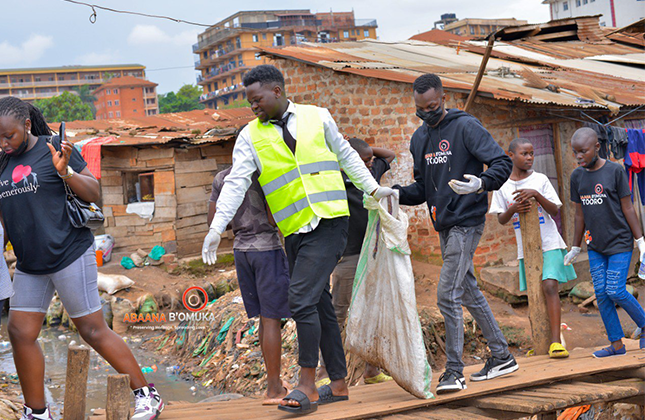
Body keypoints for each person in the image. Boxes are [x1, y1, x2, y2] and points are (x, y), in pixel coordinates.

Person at [202, 65, 395, 414]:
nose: (253, 107)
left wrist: (372, 188)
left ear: (277, 91)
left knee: (301, 298)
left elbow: (346, 154)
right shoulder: (250, 136)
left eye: (257, 99)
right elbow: (235, 183)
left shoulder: (317, 117)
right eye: (249, 101)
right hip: (294, 231)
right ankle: (338, 382)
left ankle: (307, 384)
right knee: (319, 301)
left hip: (330, 222)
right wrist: (216, 228)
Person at [0, 97, 163, 420]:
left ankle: (147, 395)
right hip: (30, 264)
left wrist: (66, 172)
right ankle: (37, 413)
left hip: (69, 253)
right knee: (19, 333)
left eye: (9, 136)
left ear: (27, 125)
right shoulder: (1, 162)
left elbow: (93, 192)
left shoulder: (55, 147)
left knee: (92, 329)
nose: (3, 143)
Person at [393, 73, 518, 395]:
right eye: (421, 109)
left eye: (432, 106)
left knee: (446, 294)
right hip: (444, 223)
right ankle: (502, 356)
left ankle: (454, 371)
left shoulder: (465, 127)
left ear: (443, 98)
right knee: (468, 291)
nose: (427, 113)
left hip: (467, 221)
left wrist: (481, 183)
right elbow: (422, 188)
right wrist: (394, 193)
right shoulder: (419, 139)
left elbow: (502, 163)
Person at [208, 164, 292, 405]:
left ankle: (274, 383)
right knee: (272, 318)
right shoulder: (266, 172)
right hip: (266, 250)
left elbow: (214, 221)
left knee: (264, 318)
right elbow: (273, 219)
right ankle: (274, 389)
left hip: (241, 251)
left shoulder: (222, 177)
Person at [316, 137, 395, 386]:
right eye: (364, 161)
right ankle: (323, 372)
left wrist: (365, 151)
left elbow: (389, 154)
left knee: (372, 311)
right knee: (338, 314)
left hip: (372, 253)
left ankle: (371, 370)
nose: (369, 165)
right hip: (347, 256)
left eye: (370, 161)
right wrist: (345, 151)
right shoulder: (335, 178)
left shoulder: (371, 175)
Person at [489, 138, 576, 358]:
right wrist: (514, 208)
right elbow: (501, 219)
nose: (529, 158)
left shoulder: (540, 179)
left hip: (550, 242)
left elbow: (554, 210)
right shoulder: (502, 185)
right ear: (510, 156)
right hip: (526, 248)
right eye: (524, 154)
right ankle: (541, 342)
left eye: (532, 153)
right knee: (535, 293)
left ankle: (556, 343)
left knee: (549, 286)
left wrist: (536, 194)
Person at [565, 127, 645, 356]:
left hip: (619, 242)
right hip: (595, 246)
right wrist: (575, 246)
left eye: (583, 151)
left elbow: (628, 207)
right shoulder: (577, 177)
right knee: (601, 293)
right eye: (575, 152)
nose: (579, 156)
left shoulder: (615, 171)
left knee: (615, 290)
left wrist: (641, 241)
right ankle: (617, 345)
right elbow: (579, 214)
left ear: (597, 147)